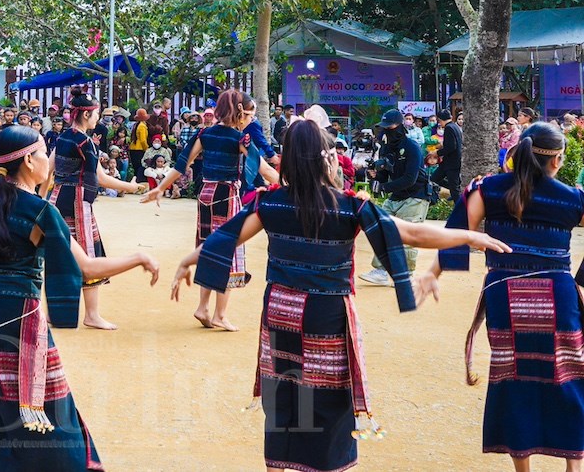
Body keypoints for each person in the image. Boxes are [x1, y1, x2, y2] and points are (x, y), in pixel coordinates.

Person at [169, 118, 511, 472]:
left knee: (285, 395)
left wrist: (187, 260)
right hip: (327, 314)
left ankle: (280, 464)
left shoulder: (271, 203)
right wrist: (469, 236)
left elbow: (227, 236)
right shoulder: (349, 206)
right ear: (326, 159)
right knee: (329, 400)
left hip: (281, 313)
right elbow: (412, 234)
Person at [0, 125, 159, 472]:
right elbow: (86, 268)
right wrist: (138, 258)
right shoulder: (41, 211)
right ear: (28, 161)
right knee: (43, 399)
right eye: (43, 153)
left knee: (17, 396)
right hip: (20, 314)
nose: (48, 160)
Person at [421, 122, 584, 471]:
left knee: (514, 380)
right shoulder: (573, 198)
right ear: (557, 160)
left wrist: (434, 273)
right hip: (558, 297)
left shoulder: (489, 189)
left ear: (516, 152)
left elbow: (459, 231)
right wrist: (580, 283)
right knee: (568, 378)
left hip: (506, 298)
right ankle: (574, 468)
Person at [141, 89, 252, 331]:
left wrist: (160, 187)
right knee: (228, 253)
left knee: (207, 247)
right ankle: (220, 314)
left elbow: (182, 164)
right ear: (239, 111)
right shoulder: (238, 138)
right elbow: (258, 166)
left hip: (206, 195)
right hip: (227, 195)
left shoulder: (205, 133)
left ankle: (203, 307)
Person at [49, 87, 142, 330]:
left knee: (58, 254)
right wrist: (131, 187)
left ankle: (53, 312)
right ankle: (92, 314)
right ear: (88, 115)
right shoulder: (84, 141)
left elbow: (48, 168)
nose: (99, 118)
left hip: (57, 199)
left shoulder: (63, 137)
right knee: (90, 255)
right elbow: (100, 178)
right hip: (78, 202)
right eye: (97, 113)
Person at [359, 109, 435, 286]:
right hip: (397, 195)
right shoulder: (386, 147)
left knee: (408, 235)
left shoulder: (412, 146)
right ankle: (381, 271)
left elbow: (410, 179)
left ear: (400, 126)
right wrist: (376, 176)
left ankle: (406, 274)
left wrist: (384, 187)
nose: (387, 130)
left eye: (390, 126)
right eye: (384, 127)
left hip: (417, 195)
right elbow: (384, 177)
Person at [432, 108, 463, 202]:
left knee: (454, 188)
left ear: (440, 119)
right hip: (449, 162)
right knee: (434, 178)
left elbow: (451, 147)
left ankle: (460, 207)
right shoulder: (455, 126)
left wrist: (437, 153)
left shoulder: (449, 128)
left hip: (452, 162)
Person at [128, 108, 150, 182]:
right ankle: (139, 182)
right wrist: (146, 149)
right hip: (139, 149)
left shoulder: (136, 124)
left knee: (135, 167)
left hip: (133, 148)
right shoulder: (142, 126)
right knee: (140, 167)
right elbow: (143, 140)